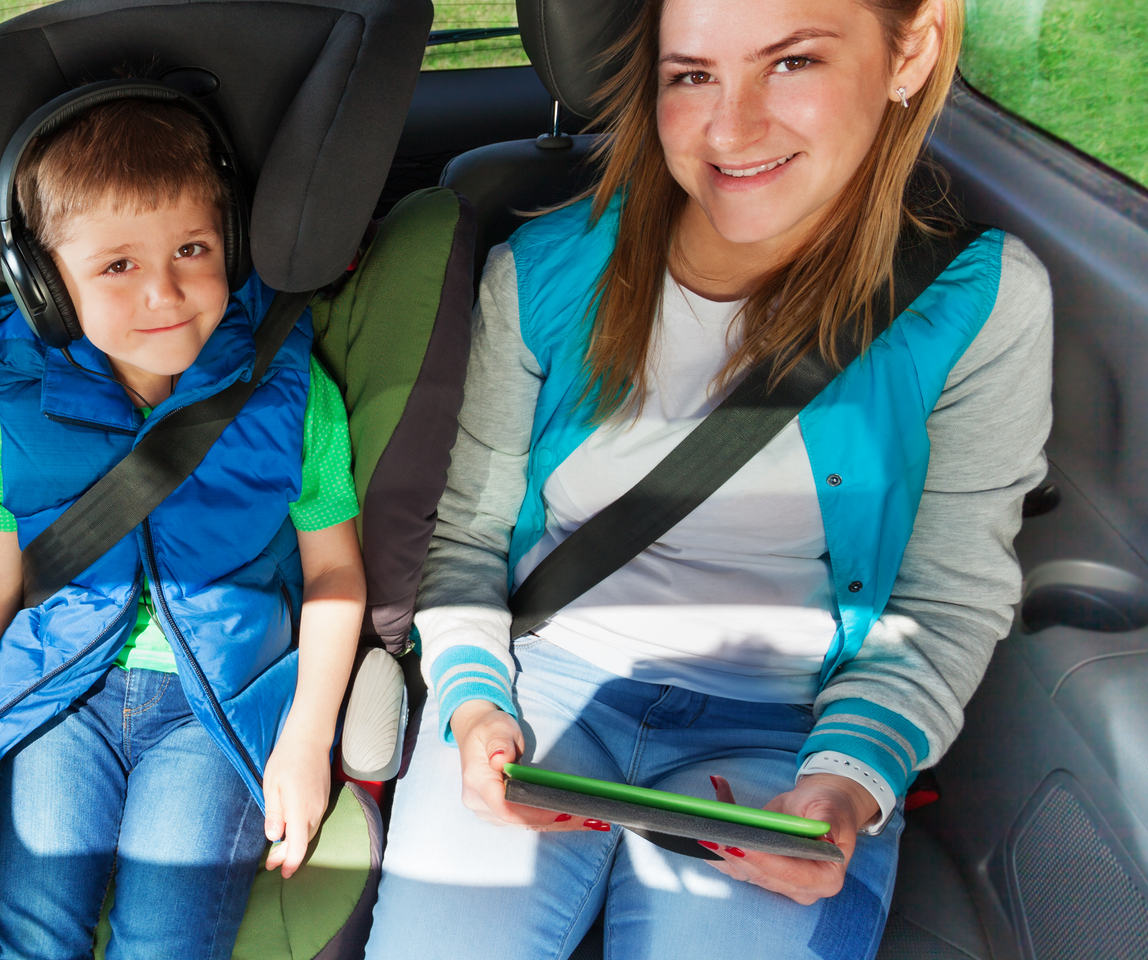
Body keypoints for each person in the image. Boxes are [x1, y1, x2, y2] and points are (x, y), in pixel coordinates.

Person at [366, 0, 1052, 956]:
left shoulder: (974, 303)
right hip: (542, 686)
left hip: (792, 725)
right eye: (691, 74)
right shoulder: (540, 274)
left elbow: (945, 600)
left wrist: (849, 779)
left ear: (914, 48)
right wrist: (477, 705)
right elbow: (469, 541)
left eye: (793, 62)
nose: (732, 128)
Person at [0, 98, 366, 960]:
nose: (164, 293)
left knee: (163, 941)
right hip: (60, 701)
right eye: (117, 266)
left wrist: (305, 743)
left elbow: (334, 576)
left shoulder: (289, 398)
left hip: (219, 711)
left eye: (192, 250)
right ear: (47, 286)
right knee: (26, 927)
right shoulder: (10, 418)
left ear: (231, 246)